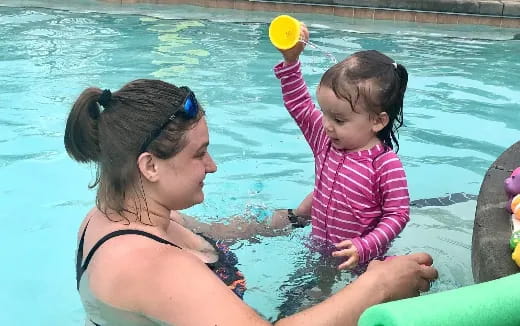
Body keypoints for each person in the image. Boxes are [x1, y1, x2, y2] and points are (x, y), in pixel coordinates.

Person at [65, 78, 437, 326]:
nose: (212, 166)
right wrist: (380, 286)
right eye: (200, 154)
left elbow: (220, 232)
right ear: (149, 166)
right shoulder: (151, 265)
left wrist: (296, 216)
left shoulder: (124, 216)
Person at [271, 24, 411, 271]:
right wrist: (291, 61)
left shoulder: (385, 165)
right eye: (324, 113)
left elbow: (397, 215)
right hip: (320, 245)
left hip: (361, 258)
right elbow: (300, 106)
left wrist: (364, 246)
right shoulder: (325, 141)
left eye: (339, 119)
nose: (326, 125)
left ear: (377, 121)